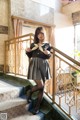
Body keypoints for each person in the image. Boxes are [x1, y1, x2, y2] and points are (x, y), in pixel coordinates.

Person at [25, 27, 51, 114]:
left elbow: (48, 56)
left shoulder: (47, 45)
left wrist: (48, 54)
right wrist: (27, 51)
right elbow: (30, 55)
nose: (40, 35)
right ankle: (30, 91)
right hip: (34, 64)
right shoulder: (33, 44)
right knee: (40, 85)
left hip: (43, 65)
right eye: (38, 33)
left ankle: (37, 107)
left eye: (42, 33)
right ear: (36, 35)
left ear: (44, 34)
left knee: (42, 88)